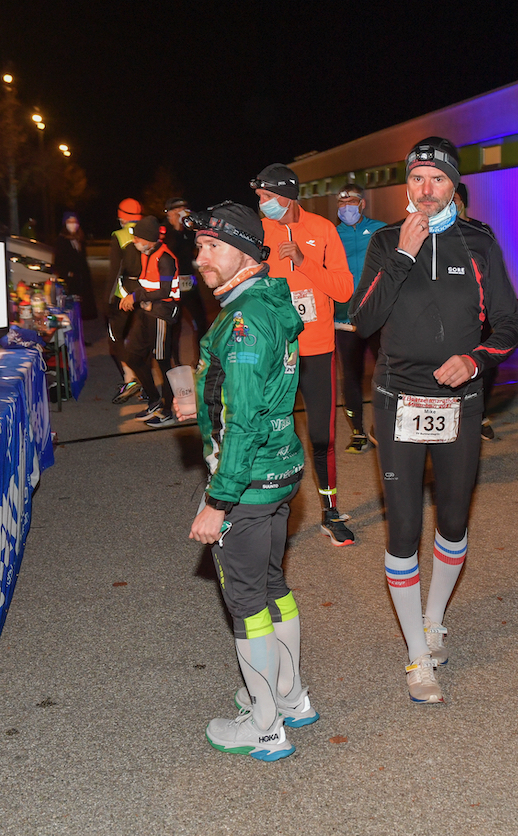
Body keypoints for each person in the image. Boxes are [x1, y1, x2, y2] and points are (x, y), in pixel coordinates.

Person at [351, 136, 518, 703]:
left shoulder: (478, 242)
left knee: (452, 522)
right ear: (407, 186)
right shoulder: (383, 241)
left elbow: (508, 328)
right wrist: (401, 255)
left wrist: (474, 360)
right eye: (417, 179)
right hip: (399, 399)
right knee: (402, 530)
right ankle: (417, 659)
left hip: (460, 404)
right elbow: (363, 318)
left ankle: (432, 622)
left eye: (438, 180)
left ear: (454, 186)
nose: (427, 190)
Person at [177, 201, 312, 761]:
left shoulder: (242, 319)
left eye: (212, 246)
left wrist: (217, 500)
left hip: (249, 483)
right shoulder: (263, 302)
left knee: (247, 600)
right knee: (274, 585)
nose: (200, 257)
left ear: (246, 252)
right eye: (199, 246)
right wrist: (202, 396)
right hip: (281, 473)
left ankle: (262, 726)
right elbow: (248, 396)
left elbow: (244, 420)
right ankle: (290, 695)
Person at [251, 163, 356, 546]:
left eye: (266, 198)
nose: (262, 205)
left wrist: (304, 261)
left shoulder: (323, 230)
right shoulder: (259, 231)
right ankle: (262, 508)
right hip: (275, 351)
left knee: (320, 436)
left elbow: (344, 289)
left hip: (316, 350)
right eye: (259, 199)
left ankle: (330, 510)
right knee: (268, 431)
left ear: (287, 195)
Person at [333, 183, 386, 454]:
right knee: (351, 376)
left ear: (362, 204)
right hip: (343, 318)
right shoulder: (331, 233)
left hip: (377, 316)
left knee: (385, 373)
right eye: (341, 204)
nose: (345, 208)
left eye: (351, 202)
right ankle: (357, 433)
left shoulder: (380, 229)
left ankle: (385, 427)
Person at [120, 215, 180, 428]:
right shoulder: (148, 253)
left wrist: (135, 297)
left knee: (163, 363)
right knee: (132, 356)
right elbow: (147, 284)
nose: (135, 242)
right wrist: (135, 296)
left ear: (149, 239)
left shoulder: (165, 258)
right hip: (146, 314)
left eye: (137, 238)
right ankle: (154, 400)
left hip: (162, 315)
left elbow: (164, 291)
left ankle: (167, 410)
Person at [454, 183, 499, 441]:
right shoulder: (437, 230)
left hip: (480, 312)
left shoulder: (481, 231)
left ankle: (480, 414)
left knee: (486, 364)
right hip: (453, 312)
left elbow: (492, 273)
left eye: (457, 199)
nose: (453, 203)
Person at [164, 196, 211, 366]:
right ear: (169, 213)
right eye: (176, 210)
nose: (180, 213)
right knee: (174, 326)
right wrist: (176, 228)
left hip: (189, 283)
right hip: (173, 285)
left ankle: (201, 359)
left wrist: (190, 226)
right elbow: (169, 254)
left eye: (183, 209)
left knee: (201, 321)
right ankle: (174, 362)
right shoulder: (165, 231)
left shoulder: (188, 230)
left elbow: (197, 245)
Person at [108, 198, 143, 403]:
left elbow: (114, 272)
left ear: (121, 216)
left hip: (124, 295)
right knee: (141, 338)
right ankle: (145, 384)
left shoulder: (118, 236)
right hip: (146, 293)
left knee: (115, 337)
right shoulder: (147, 233)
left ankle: (130, 378)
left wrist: (107, 300)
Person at [52, 212, 97, 321]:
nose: (73, 225)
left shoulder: (79, 239)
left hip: (81, 278)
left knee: (82, 310)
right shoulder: (62, 240)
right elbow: (59, 261)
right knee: (71, 309)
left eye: (75, 222)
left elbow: (82, 259)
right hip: (70, 280)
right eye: (70, 222)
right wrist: (67, 273)